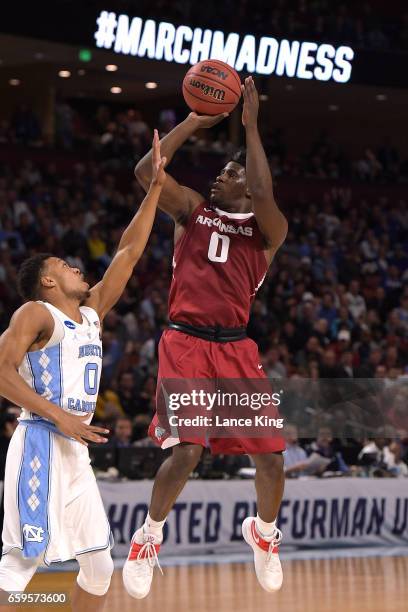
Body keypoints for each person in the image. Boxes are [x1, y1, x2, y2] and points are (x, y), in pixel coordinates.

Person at [123, 77, 288, 598]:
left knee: (271, 458)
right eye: (223, 168)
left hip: (236, 346)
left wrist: (251, 126)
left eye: (232, 171)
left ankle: (263, 536)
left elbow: (262, 192)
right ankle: (148, 538)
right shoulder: (192, 209)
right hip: (186, 341)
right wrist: (194, 120)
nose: (223, 176)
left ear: (248, 184)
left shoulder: (269, 231)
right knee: (189, 451)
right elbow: (147, 171)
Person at [0, 131, 166, 610]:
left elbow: (128, 252)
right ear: (48, 281)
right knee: (19, 568)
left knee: (98, 569)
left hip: (76, 450)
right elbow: (3, 371)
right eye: (66, 266)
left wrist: (154, 187)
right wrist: (59, 416)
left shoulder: (90, 313)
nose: (77, 268)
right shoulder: (37, 313)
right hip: (39, 444)